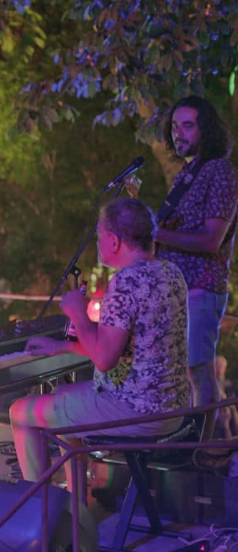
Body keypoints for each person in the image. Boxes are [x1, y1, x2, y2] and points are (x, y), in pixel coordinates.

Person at [10, 197, 190, 495]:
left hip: (137, 413)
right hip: (171, 410)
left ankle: (37, 511)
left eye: (99, 237)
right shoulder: (171, 274)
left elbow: (104, 359)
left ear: (115, 241)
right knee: (64, 398)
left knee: (21, 411)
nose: (98, 243)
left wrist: (78, 312)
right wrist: (62, 348)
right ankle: (74, 509)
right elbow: (125, 348)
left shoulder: (126, 282)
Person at [154, 96, 238, 441]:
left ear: (207, 129)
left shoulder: (219, 171)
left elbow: (210, 240)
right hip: (180, 288)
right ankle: (186, 444)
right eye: (174, 126)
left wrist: (158, 234)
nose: (178, 134)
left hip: (201, 286)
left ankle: (203, 450)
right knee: (184, 371)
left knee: (200, 371)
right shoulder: (189, 172)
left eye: (187, 125)